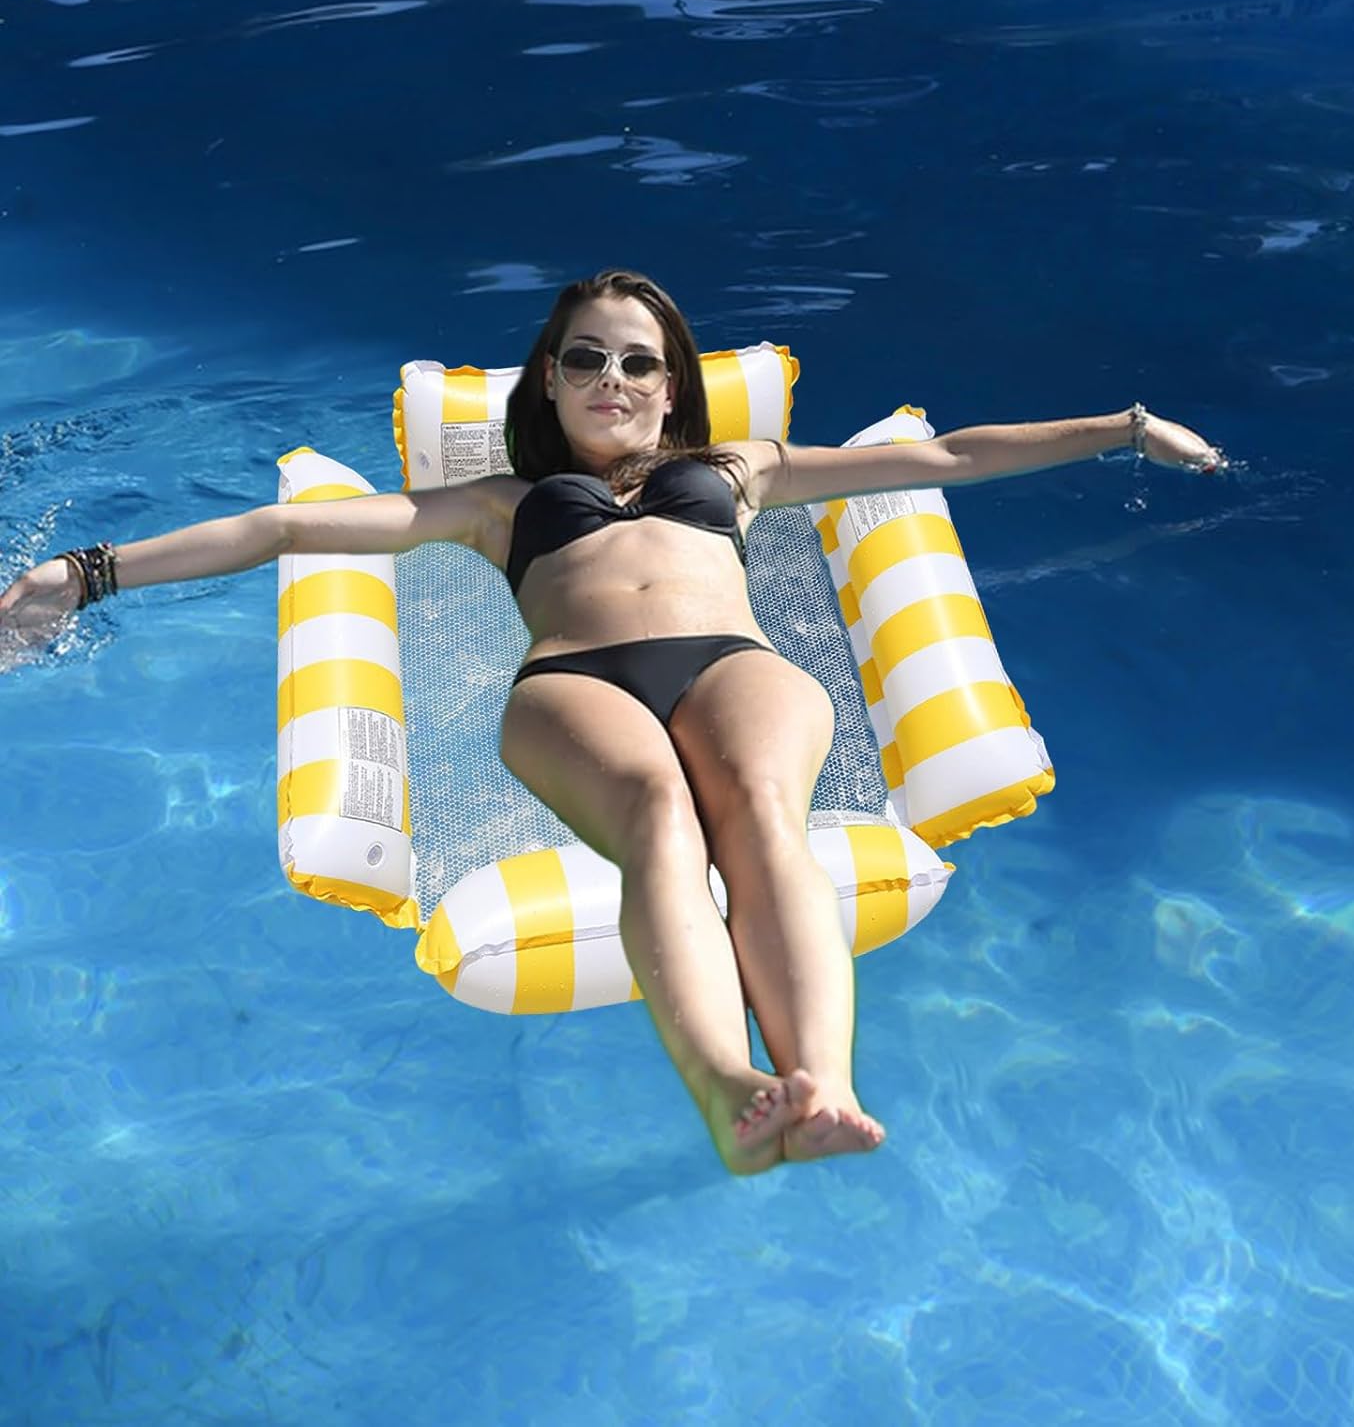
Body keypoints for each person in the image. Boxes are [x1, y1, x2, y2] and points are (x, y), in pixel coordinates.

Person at [0, 268, 1226, 1175]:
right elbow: (283, 530)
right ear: (549, 378)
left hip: (734, 663)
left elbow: (948, 459)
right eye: (585, 358)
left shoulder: (742, 468)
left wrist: (1124, 429)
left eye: (639, 363)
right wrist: (87, 572)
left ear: (671, 384)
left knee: (764, 815)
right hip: (576, 682)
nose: (613, 381)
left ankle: (825, 1086)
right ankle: (731, 1091)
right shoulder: (497, 502)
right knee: (657, 818)